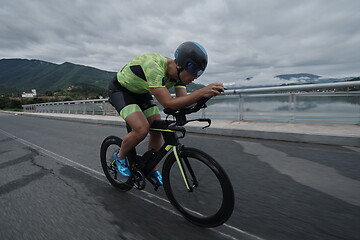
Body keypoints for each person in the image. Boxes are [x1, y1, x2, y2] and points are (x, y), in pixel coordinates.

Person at [108, 41, 224, 185]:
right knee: (141, 129)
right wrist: (201, 91)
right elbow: (168, 103)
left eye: (199, 72)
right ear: (180, 64)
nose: (195, 76)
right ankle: (119, 156)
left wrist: (203, 97)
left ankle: (151, 167)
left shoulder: (179, 77)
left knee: (157, 129)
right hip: (121, 90)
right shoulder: (154, 66)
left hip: (141, 92)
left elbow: (181, 102)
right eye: (194, 69)